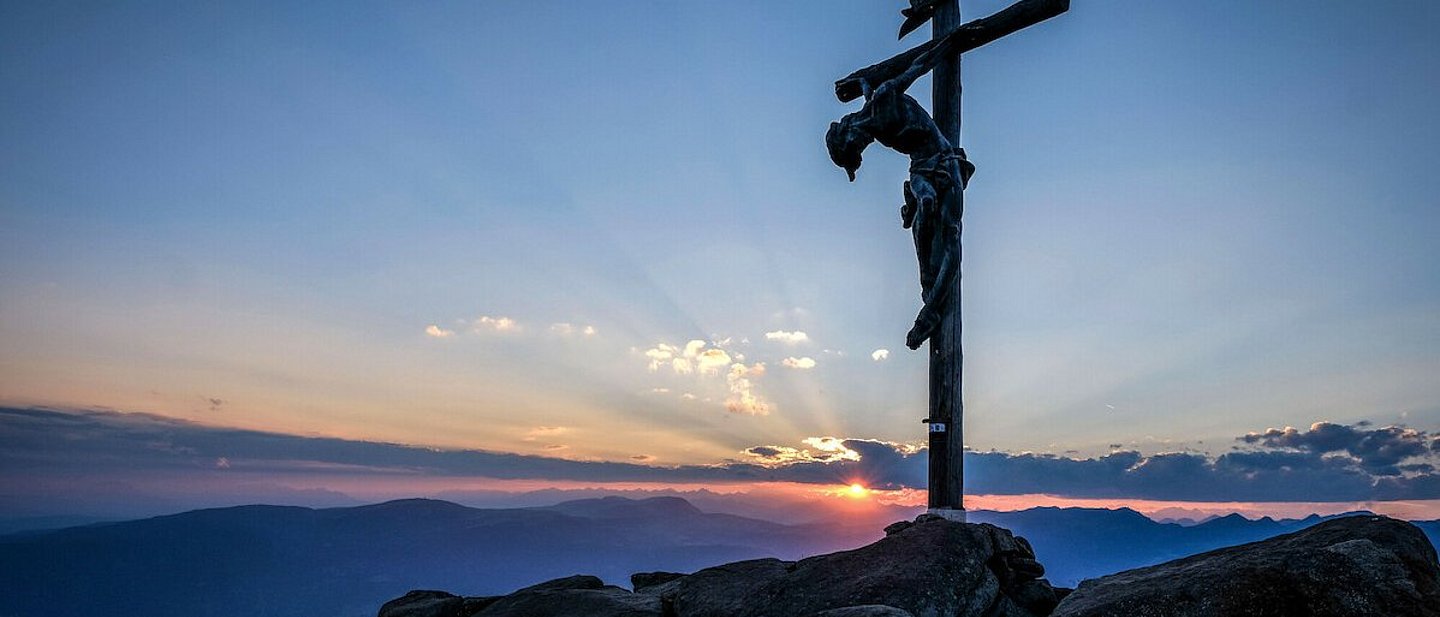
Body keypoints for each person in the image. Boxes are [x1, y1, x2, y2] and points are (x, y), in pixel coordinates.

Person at [826, 43, 974, 350]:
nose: (863, 147)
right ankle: (928, 293)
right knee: (927, 209)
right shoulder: (871, 109)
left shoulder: (884, 98)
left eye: (856, 148)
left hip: (945, 160)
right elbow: (867, 90)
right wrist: (863, 81)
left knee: (950, 234)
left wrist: (951, 39)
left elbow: (918, 66)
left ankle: (929, 311)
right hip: (920, 168)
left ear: (849, 130)